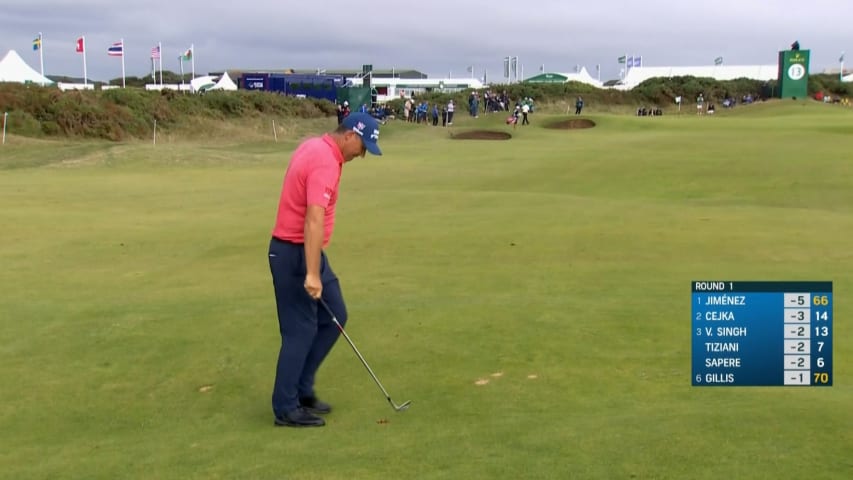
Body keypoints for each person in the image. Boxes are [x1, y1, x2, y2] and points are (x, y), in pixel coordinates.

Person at [268, 112, 383, 428]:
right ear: (349, 136)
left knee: (336, 315)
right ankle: (285, 407)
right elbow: (313, 218)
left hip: (306, 249)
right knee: (300, 331)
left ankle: (302, 389)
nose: (361, 155)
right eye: (362, 147)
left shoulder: (316, 147)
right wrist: (312, 273)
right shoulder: (325, 162)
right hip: (293, 251)